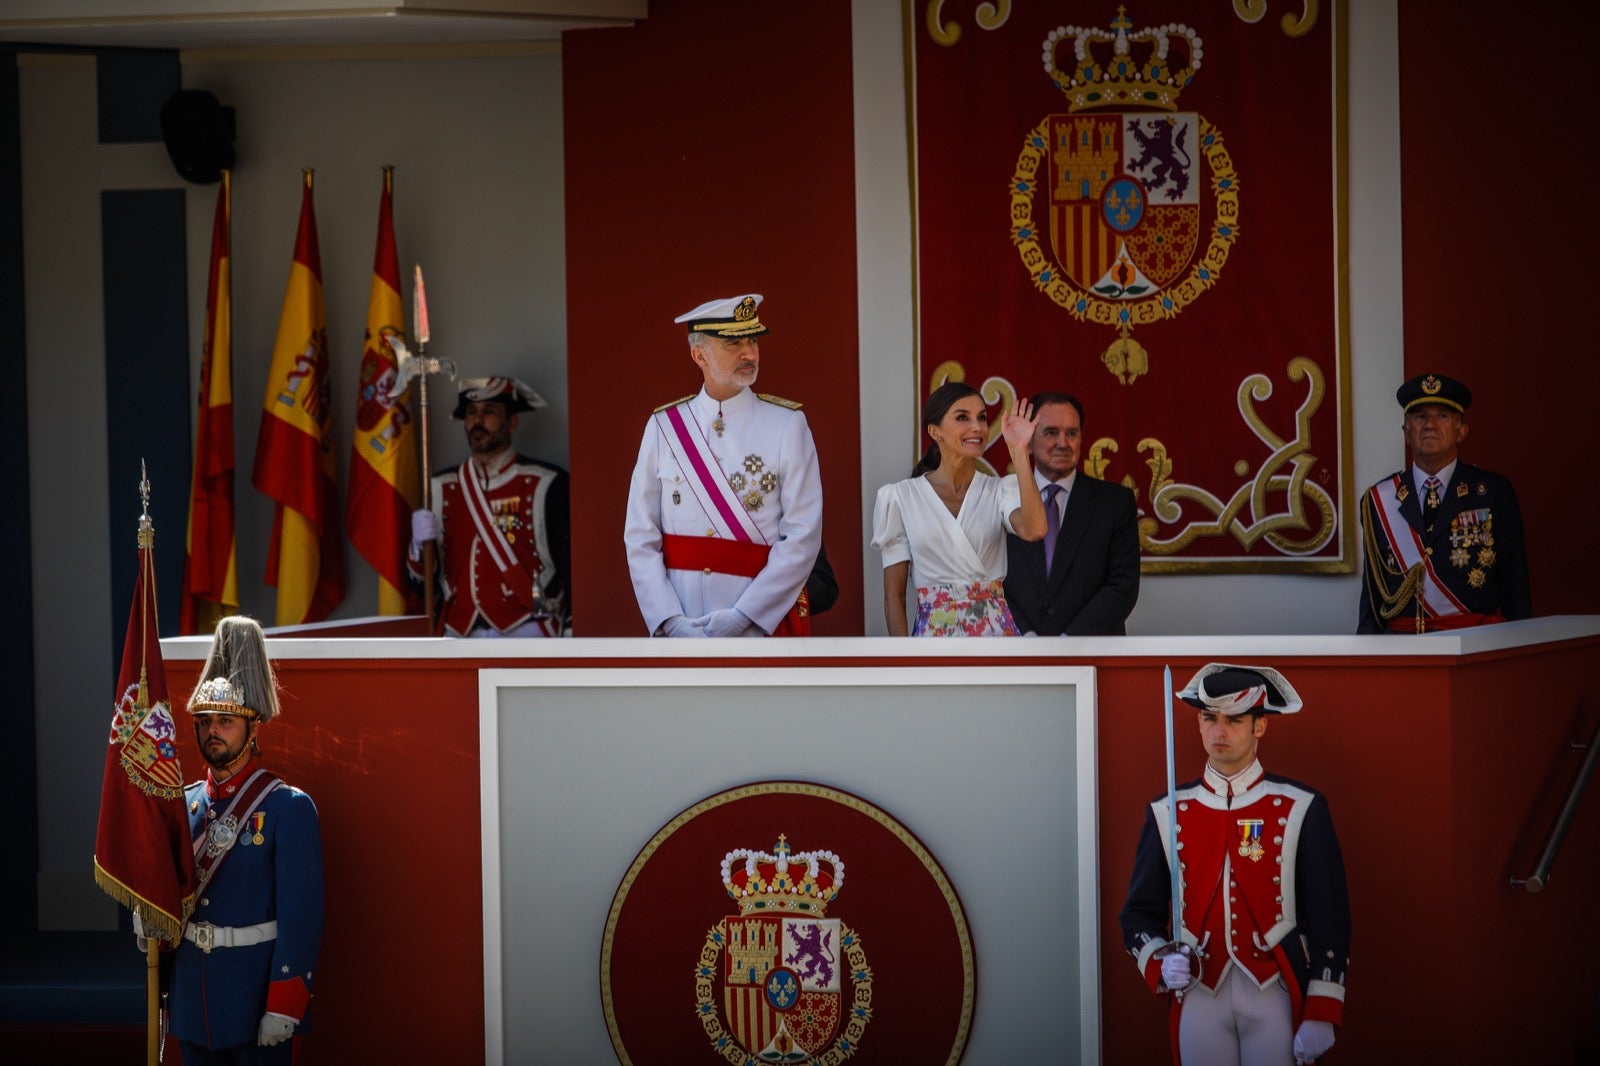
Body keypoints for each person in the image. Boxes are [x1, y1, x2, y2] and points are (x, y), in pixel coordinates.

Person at [1119, 663, 1350, 1066]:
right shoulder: (1167, 811)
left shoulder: (1301, 807)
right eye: (1209, 718)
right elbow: (1137, 917)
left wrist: (1321, 1010)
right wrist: (1160, 960)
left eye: (1234, 720)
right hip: (1199, 993)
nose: (1219, 731)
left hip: (1272, 992)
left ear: (1260, 726)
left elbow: (1331, 918)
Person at [166, 615, 324, 1064]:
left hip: (257, 998)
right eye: (205, 720)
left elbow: (302, 918)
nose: (212, 730)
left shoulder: (286, 808)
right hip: (195, 998)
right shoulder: (184, 804)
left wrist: (286, 1001)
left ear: (253, 728)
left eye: (226, 721)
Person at [624, 293, 823, 637]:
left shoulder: (788, 424)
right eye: (734, 343)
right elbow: (641, 535)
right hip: (681, 622)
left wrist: (744, 617)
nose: (749, 353)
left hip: (759, 628)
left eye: (753, 340)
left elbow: (802, 536)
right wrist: (669, 622)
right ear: (699, 354)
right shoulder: (664, 426)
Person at [1357, 372, 1530, 633]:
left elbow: (1515, 587)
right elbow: (1372, 599)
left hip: (1474, 645)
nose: (1430, 424)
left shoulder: (1493, 492)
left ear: (1461, 431)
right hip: (1403, 649)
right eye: (1420, 416)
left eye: (1442, 416)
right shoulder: (1378, 500)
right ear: (1406, 430)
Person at [871, 381, 1046, 635]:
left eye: (982, 417)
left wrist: (1019, 452)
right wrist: (905, 665)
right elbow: (894, 597)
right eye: (962, 417)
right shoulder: (899, 498)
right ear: (935, 431)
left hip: (995, 637)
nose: (977, 427)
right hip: (933, 639)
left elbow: (1035, 530)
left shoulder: (998, 491)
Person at [409, 376, 571, 637]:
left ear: (513, 422)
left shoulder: (546, 482)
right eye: (471, 413)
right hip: (459, 632)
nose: (477, 421)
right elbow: (421, 586)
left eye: (489, 412)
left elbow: (570, 567)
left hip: (527, 630)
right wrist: (417, 548)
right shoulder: (440, 487)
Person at [1002, 391, 1141, 634]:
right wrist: (1024, 635)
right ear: (1029, 441)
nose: (1063, 443)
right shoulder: (1002, 497)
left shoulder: (1116, 502)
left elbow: (1122, 586)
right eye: (1051, 433)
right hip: (1019, 651)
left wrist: (1069, 642)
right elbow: (990, 582)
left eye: (1072, 433)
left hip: (1093, 653)